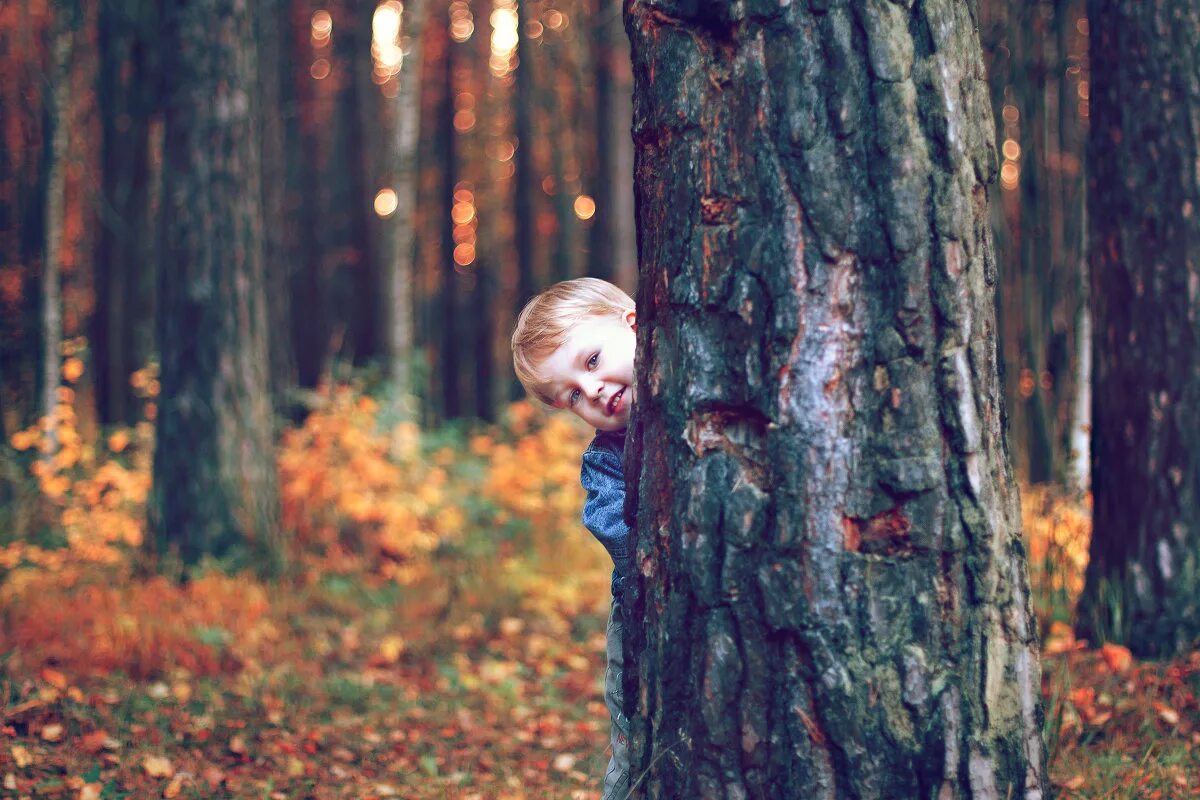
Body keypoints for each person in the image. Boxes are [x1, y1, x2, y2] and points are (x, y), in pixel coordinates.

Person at [511, 277, 636, 800]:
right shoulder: (607, 458)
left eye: (591, 362)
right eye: (574, 396)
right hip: (642, 614)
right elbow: (615, 529)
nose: (594, 393)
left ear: (634, 324)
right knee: (634, 737)